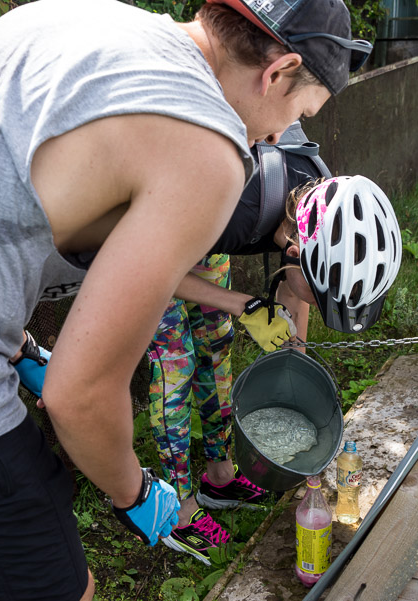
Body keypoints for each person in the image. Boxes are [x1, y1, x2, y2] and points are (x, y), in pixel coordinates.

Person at [0, 0, 369, 599]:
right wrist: (134, 492)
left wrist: (17, 344)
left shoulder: (86, 20)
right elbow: (78, 396)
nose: (276, 137)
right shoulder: (208, 150)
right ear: (279, 71)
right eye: (296, 113)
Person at [147, 121, 333, 565]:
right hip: (151, 237)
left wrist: (295, 357)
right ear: (295, 250)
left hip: (205, 235)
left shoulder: (320, 209)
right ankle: (178, 509)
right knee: (177, 365)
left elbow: (296, 287)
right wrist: (247, 304)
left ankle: (218, 473)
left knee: (217, 347)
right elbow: (154, 266)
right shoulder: (233, 202)